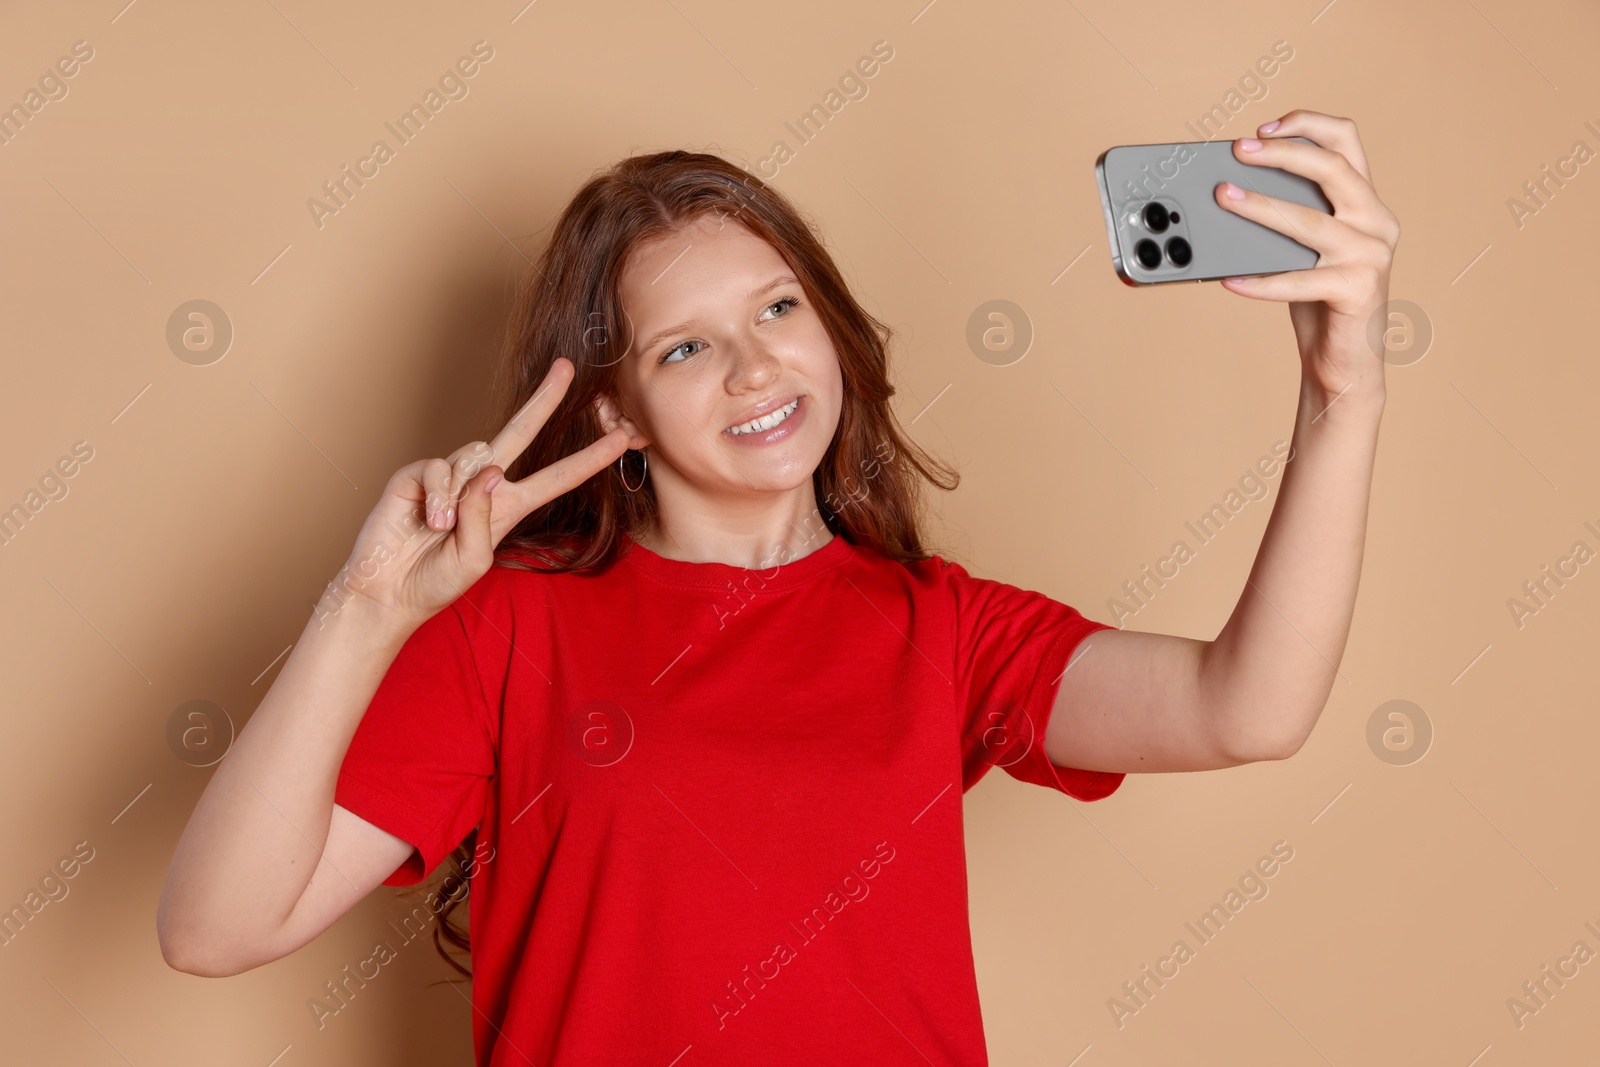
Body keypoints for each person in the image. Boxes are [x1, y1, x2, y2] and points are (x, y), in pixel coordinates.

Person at [157, 109, 1397, 1065]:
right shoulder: (510, 624)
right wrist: (365, 607)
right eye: (685, 346)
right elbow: (214, 927)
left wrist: (1344, 395)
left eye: (777, 307)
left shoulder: (946, 628)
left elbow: (1250, 707)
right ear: (614, 408)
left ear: (829, 327)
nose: (755, 366)